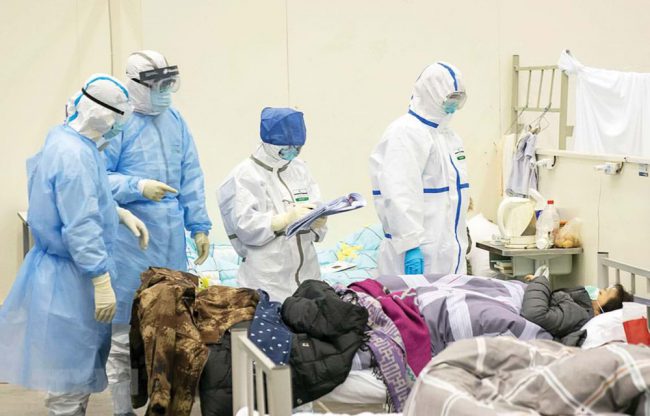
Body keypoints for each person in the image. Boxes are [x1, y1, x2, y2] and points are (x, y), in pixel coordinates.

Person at [0, 74, 148, 416]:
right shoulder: (74, 155)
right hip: (70, 277)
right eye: (118, 119)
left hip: (66, 272)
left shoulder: (69, 139)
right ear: (104, 115)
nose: (119, 127)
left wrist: (117, 212)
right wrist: (100, 277)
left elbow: (80, 199)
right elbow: (79, 224)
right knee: (67, 376)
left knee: (76, 368)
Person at [102, 50, 212, 415]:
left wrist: (199, 226)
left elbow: (191, 174)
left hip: (170, 240)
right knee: (124, 335)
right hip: (128, 241)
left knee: (172, 327)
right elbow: (97, 179)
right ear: (134, 85)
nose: (164, 93)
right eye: (156, 86)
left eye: (168, 85)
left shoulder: (175, 120)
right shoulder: (117, 122)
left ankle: (164, 405)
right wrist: (137, 186)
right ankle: (122, 408)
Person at [369, 62, 470, 276]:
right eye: (450, 98)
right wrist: (410, 245)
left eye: (458, 99)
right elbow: (399, 194)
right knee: (412, 298)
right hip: (417, 252)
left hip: (449, 250)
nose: (453, 105)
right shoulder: (405, 133)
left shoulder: (449, 137)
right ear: (432, 93)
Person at [218, 107, 327, 301]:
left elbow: (315, 203)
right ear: (269, 143)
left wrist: (318, 221)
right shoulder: (246, 175)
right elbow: (245, 227)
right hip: (268, 279)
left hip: (308, 275)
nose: (292, 152)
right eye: (286, 148)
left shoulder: (299, 168)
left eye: (297, 148)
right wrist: (282, 220)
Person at [522, 267, 634, 345]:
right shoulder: (579, 305)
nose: (596, 289)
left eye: (600, 293)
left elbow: (535, 314)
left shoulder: (577, 315)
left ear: (598, 312)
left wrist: (540, 282)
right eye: (602, 289)